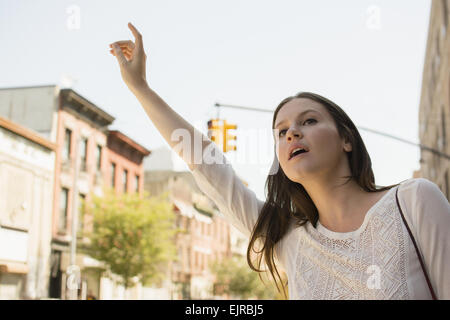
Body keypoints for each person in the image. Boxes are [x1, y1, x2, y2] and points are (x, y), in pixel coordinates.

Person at [109, 23, 450, 300]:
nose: (291, 134)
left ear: (347, 139)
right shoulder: (288, 239)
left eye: (309, 121)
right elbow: (207, 164)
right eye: (281, 131)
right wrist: (140, 87)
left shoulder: (414, 201)